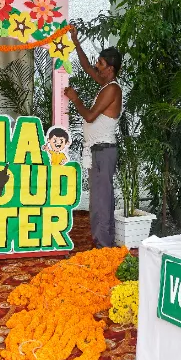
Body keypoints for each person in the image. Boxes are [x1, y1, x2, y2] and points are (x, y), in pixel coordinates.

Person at [63, 26, 123, 248]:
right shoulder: (106, 84)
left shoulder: (112, 89)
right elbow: (86, 67)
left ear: (110, 69)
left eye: (101, 64)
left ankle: (102, 246)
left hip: (102, 150)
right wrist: (75, 41)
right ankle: (104, 243)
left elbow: (89, 116)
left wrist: (74, 98)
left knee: (100, 201)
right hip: (99, 150)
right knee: (101, 198)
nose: (96, 66)